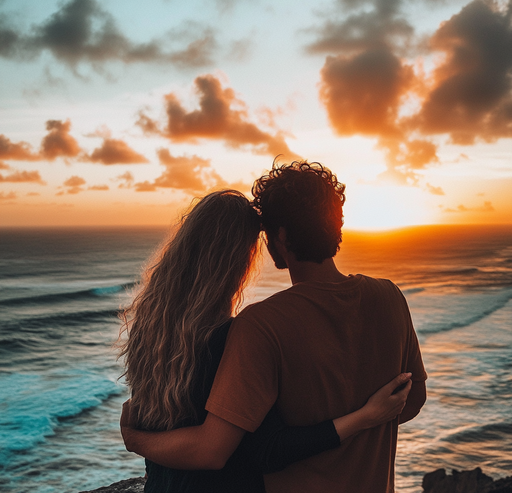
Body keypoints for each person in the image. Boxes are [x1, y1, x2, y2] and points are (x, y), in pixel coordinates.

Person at [119, 188, 414, 493]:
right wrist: (364, 416)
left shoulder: (151, 329)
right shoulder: (234, 335)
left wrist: (137, 439)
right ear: (235, 261)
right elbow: (265, 449)